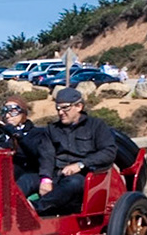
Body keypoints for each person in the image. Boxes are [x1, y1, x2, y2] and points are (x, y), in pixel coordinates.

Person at [36, 87, 118, 216]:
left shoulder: (96, 126)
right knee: (26, 180)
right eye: (58, 108)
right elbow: (46, 156)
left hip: (83, 176)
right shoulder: (51, 130)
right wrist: (45, 179)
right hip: (56, 174)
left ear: (79, 106)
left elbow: (109, 152)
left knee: (73, 183)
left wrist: (81, 164)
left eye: (65, 108)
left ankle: (35, 209)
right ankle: (8, 211)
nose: (61, 113)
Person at [0, 98, 53, 201]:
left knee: (19, 177)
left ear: (23, 113)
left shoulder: (37, 133)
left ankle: (9, 202)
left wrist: (17, 135)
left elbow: (34, 151)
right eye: (5, 112)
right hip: (3, 168)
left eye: (13, 111)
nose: (7, 116)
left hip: (29, 170)